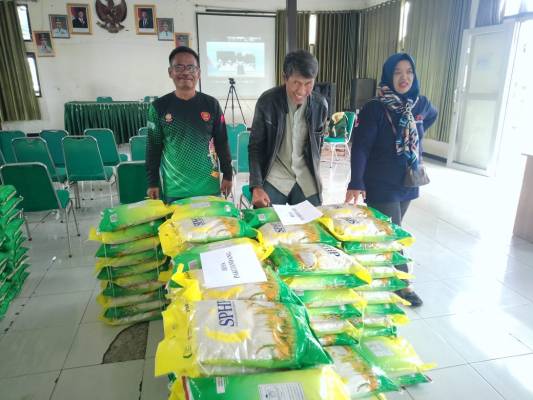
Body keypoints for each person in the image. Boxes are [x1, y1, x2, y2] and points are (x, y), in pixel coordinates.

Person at [345, 53, 438, 307]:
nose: (404, 77)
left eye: (409, 72)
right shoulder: (375, 108)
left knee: (390, 231)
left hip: (408, 180)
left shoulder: (420, 104)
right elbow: (361, 147)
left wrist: (413, 137)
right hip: (380, 183)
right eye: (397, 72)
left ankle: (379, 270)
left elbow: (431, 116)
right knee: (394, 233)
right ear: (388, 75)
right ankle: (403, 285)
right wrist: (356, 181)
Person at [146, 46, 232, 203]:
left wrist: (228, 175)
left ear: (198, 73)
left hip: (209, 188)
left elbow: (222, 142)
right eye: (179, 67)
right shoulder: (158, 107)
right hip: (175, 190)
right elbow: (154, 148)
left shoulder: (211, 104)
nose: (185, 72)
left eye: (191, 67)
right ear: (170, 72)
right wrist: (153, 182)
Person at [249, 49, 328, 207]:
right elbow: (255, 147)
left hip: (305, 175)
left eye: (308, 83)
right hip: (275, 174)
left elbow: (317, 147)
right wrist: (256, 186)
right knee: (265, 218)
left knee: (314, 221)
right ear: (285, 78)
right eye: (296, 83)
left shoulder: (320, 105)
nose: (302, 91)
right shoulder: (267, 102)